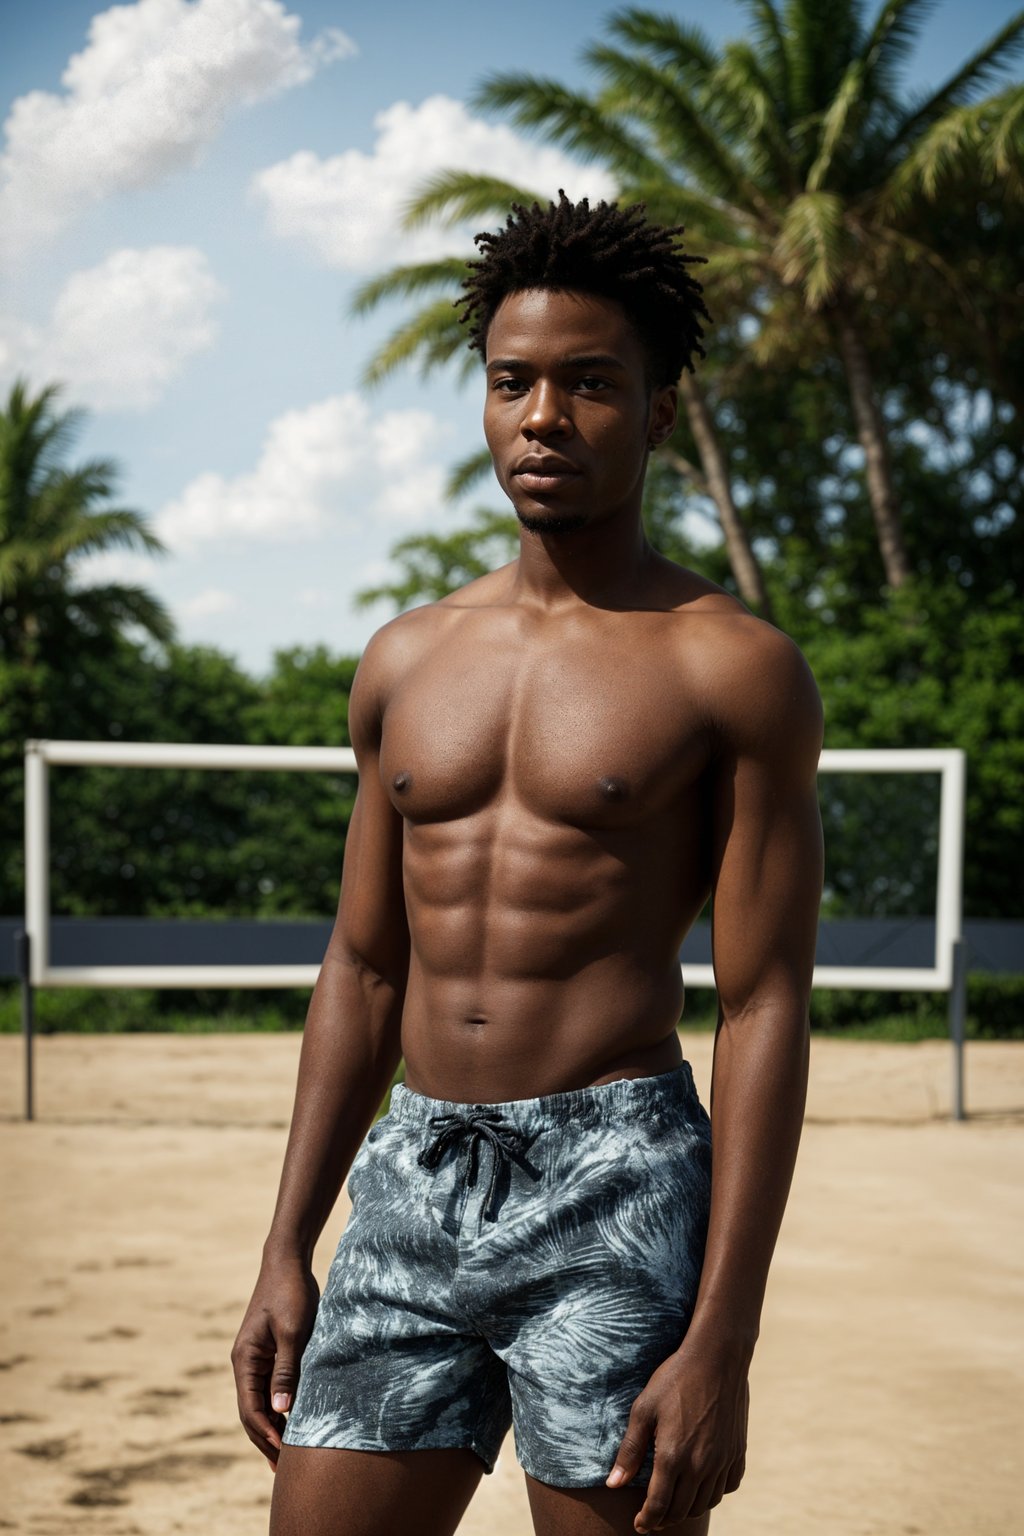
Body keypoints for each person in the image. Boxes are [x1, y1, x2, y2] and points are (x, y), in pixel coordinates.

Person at [232, 192, 824, 1536]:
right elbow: (366, 964)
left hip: (614, 1179)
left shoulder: (730, 667)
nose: (544, 418)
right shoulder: (405, 660)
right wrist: (286, 1246)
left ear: (659, 411)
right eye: (514, 384)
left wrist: (722, 1337)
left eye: (590, 384)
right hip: (412, 1175)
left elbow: (764, 1001)